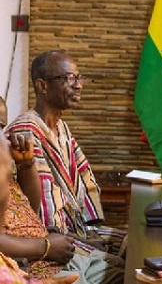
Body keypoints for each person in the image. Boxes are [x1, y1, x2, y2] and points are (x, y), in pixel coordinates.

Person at [5, 51, 125, 257]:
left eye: (79, 77)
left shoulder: (62, 129)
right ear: (43, 86)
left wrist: (88, 235)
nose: (78, 85)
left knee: (132, 241)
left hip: (74, 230)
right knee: (125, 260)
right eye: (69, 78)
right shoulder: (25, 131)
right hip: (47, 239)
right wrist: (85, 242)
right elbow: (41, 216)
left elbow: (82, 182)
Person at [0, 96, 123, 283]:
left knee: (128, 272)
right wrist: (46, 246)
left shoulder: (2, 167)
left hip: (57, 257)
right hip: (34, 267)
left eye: (2, 127)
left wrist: (26, 164)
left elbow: (31, 208)